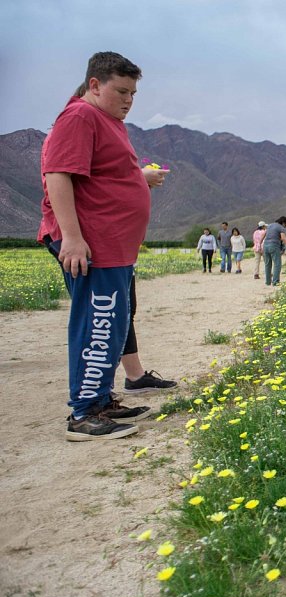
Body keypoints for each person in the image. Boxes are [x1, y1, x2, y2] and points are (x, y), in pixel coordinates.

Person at [38, 51, 169, 440]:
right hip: (92, 245)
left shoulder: (105, 120)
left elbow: (104, 176)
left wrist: (139, 178)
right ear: (94, 85)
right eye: (121, 91)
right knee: (97, 325)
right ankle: (83, 415)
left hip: (112, 246)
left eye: (133, 94)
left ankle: (100, 400)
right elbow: (58, 174)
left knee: (112, 325)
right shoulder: (80, 116)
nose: (128, 100)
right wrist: (74, 238)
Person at [263, 216, 286, 286]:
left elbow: (264, 235)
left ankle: (268, 281)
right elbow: (283, 238)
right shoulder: (280, 227)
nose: (285, 227)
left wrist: (259, 244)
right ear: (284, 223)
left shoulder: (270, 225)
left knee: (267, 264)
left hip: (265, 245)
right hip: (274, 245)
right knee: (277, 264)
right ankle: (275, 281)